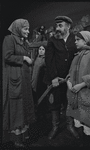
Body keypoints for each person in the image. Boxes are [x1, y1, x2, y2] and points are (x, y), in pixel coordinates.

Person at [2, 19, 35, 147]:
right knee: (17, 108)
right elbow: (7, 56)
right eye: (25, 29)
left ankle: (23, 135)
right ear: (17, 28)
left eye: (28, 28)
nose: (28, 31)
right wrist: (24, 58)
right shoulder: (9, 39)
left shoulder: (22, 41)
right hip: (15, 80)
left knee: (24, 107)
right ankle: (16, 139)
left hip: (24, 80)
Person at [44, 16, 78, 140]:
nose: (57, 28)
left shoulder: (75, 38)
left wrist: (74, 75)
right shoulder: (52, 40)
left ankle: (70, 126)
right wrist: (53, 77)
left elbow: (77, 58)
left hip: (70, 79)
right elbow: (49, 60)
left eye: (60, 25)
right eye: (57, 25)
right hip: (56, 80)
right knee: (55, 104)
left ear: (68, 26)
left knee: (70, 103)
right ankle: (55, 127)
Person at [66, 31, 90, 145]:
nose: (75, 42)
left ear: (85, 40)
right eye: (75, 39)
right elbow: (70, 73)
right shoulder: (77, 56)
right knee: (79, 124)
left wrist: (81, 85)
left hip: (87, 95)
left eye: (77, 40)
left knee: (89, 128)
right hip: (77, 97)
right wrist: (69, 82)